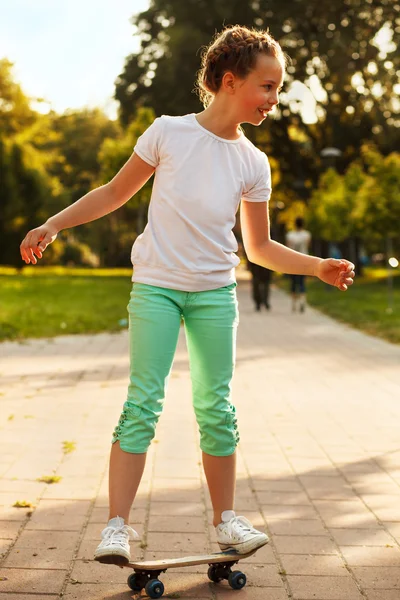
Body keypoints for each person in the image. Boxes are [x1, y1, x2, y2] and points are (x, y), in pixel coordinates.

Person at [19, 25, 355, 565]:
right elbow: (112, 192)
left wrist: (316, 267)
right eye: (267, 86)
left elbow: (260, 247)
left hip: (214, 295)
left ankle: (227, 522)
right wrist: (53, 225)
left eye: (278, 88)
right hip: (156, 288)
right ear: (229, 81)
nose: (275, 99)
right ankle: (116, 527)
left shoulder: (253, 162)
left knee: (216, 409)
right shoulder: (168, 133)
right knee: (142, 405)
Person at [285, 217, 312, 313]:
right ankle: (302, 301)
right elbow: (308, 245)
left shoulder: (290, 235)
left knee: (293, 283)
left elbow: (287, 248)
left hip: (293, 262)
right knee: (301, 283)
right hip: (304, 261)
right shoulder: (307, 235)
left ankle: (294, 304)